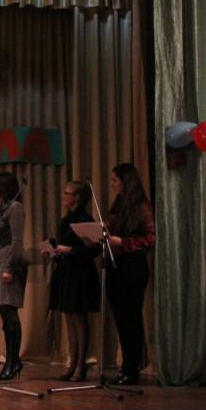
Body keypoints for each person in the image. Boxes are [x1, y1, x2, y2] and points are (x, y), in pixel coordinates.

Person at [105, 163, 156, 385]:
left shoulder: (141, 206)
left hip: (133, 267)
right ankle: (127, 366)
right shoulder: (118, 205)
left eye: (115, 180)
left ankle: (131, 368)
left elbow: (150, 238)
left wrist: (122, 242)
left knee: (131, 318)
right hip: (115, 266)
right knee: (120, 319)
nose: (113, 184)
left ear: (126, 182)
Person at [44, 181, 100, 382]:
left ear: (76, 197)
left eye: (67, 193)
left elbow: (94, 249)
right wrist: (53, 251)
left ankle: (81, 366)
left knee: (79, 317)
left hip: (80, 274)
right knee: (69, 317)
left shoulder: (85, 219)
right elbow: (62, 244)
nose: (64, 196)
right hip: (66, 272)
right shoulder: (66, 219)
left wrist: (69, 250)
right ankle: (73, 362)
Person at [0, 172, 27, 380]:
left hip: (10, 262)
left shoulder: (15, 207)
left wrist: (8, 267)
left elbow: (16, 241)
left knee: (9, 312)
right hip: (0, 260)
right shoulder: (3, 207)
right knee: (4, 311)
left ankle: (13, 362)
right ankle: (11, 361)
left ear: (3, 185)